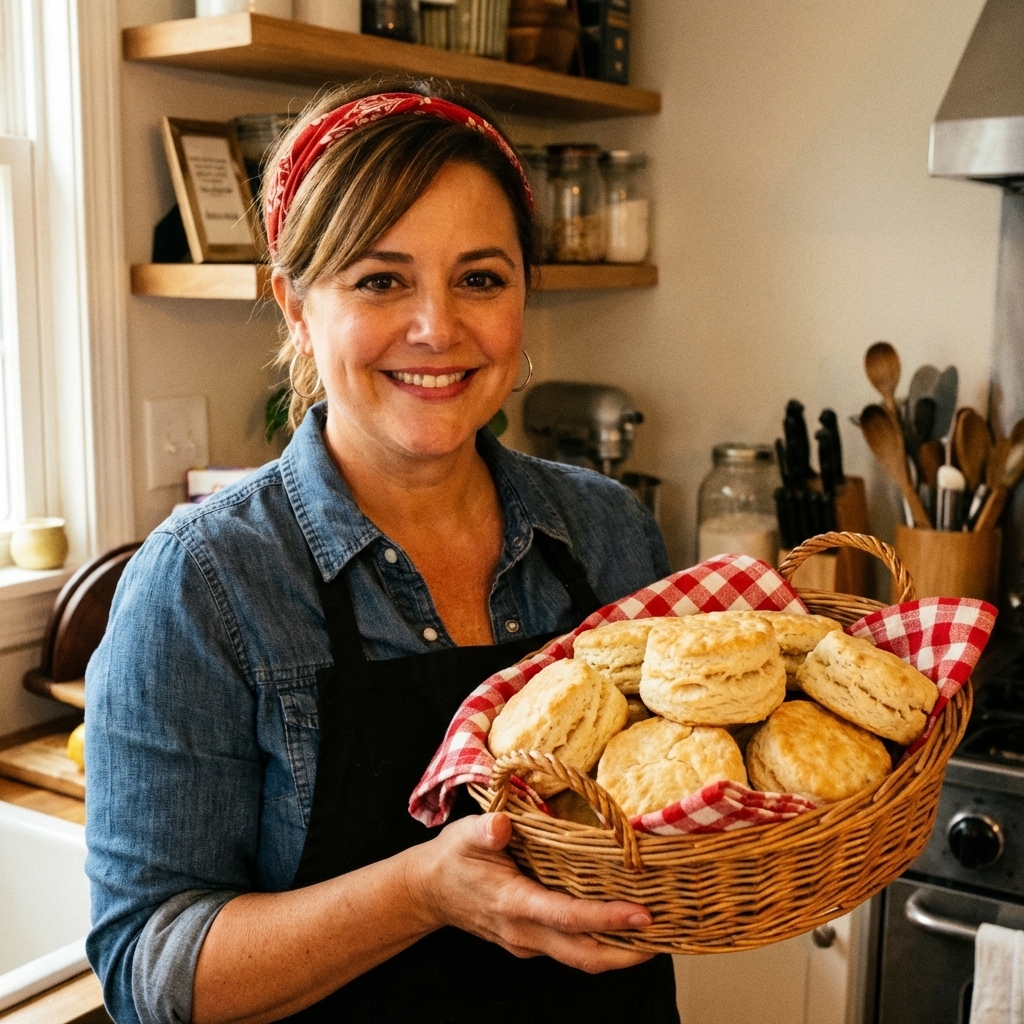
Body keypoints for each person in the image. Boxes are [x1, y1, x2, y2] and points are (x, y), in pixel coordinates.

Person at [85, 82, 678, 1024]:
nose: (437, 328)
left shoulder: (606, 531)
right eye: (380, 279)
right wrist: (422, 892)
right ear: (296, 308)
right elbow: (152, 972)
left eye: (481, 277)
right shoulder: (202, 584)